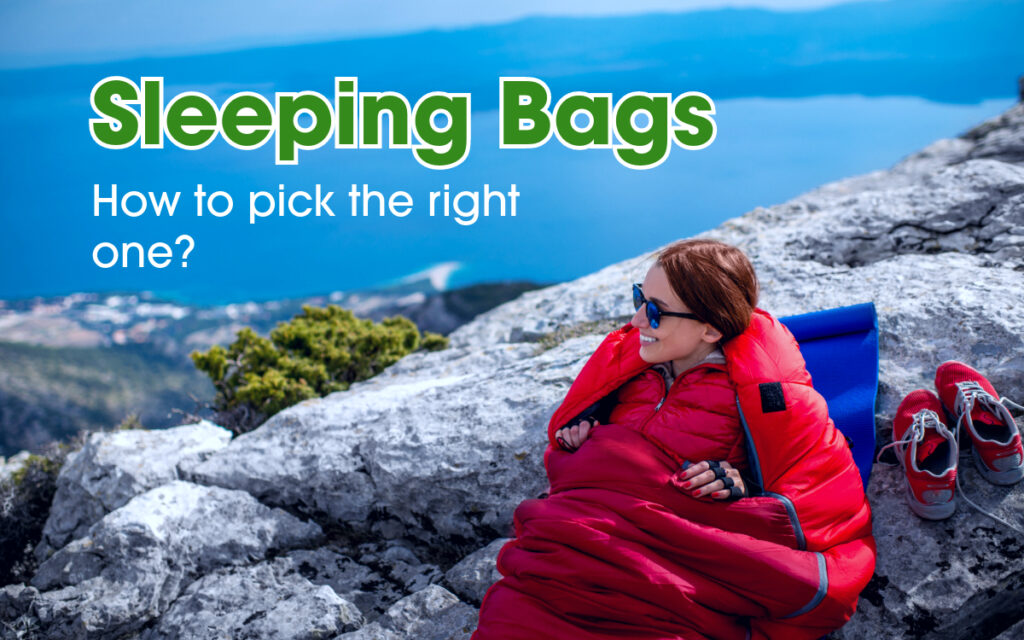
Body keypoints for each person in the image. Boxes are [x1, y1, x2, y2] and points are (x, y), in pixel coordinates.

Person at [473, 238, 876, 640]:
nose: (635, 322)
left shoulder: (758, 394)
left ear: (711, 327)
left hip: (662, 577)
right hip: (568, 556)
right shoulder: (631, 371)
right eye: (639, 298)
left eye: (655, 311)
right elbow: (580, 474)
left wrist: (737, 484)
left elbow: (810, 495)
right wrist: (581, 446)